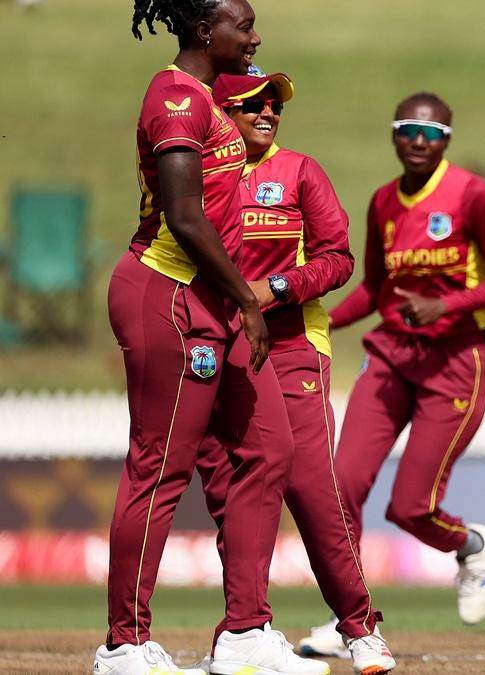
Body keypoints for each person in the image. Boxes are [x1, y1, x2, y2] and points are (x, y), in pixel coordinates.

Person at [96, 2, 326, 674]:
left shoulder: (206, 95)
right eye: (243, 25)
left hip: (213, 299)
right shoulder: (173, 98)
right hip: (167, 293)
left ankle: (246, 631)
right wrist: (251, 307)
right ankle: (125, 643)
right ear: (204, 31)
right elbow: (185, 216)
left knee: (270, 447)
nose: (255, 37)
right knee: (160, 465)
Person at [296, 91, 485, 657]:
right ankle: (350, 618)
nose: (419, 142)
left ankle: (473, 545)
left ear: (447, 139)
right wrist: (313, 314)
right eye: (408, 130)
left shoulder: (472, 195)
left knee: (410, 507)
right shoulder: (382, 203)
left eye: (432, 134)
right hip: (392, 357)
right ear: (395, 135)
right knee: (339, 487)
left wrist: (445, 308)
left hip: (456, 361)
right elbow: (375, 290)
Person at [191, 70, 396, 675]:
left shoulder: (300, 172)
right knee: (229, 493)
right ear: (221, 112)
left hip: (289, 348)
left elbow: (339, 260)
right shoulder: (197, 174)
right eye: (252, 104)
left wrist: (275, 288)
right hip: (214, 346)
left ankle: (359, 628)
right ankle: (245, 632)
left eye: (274, 105)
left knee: (311, 487)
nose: (267, 113)